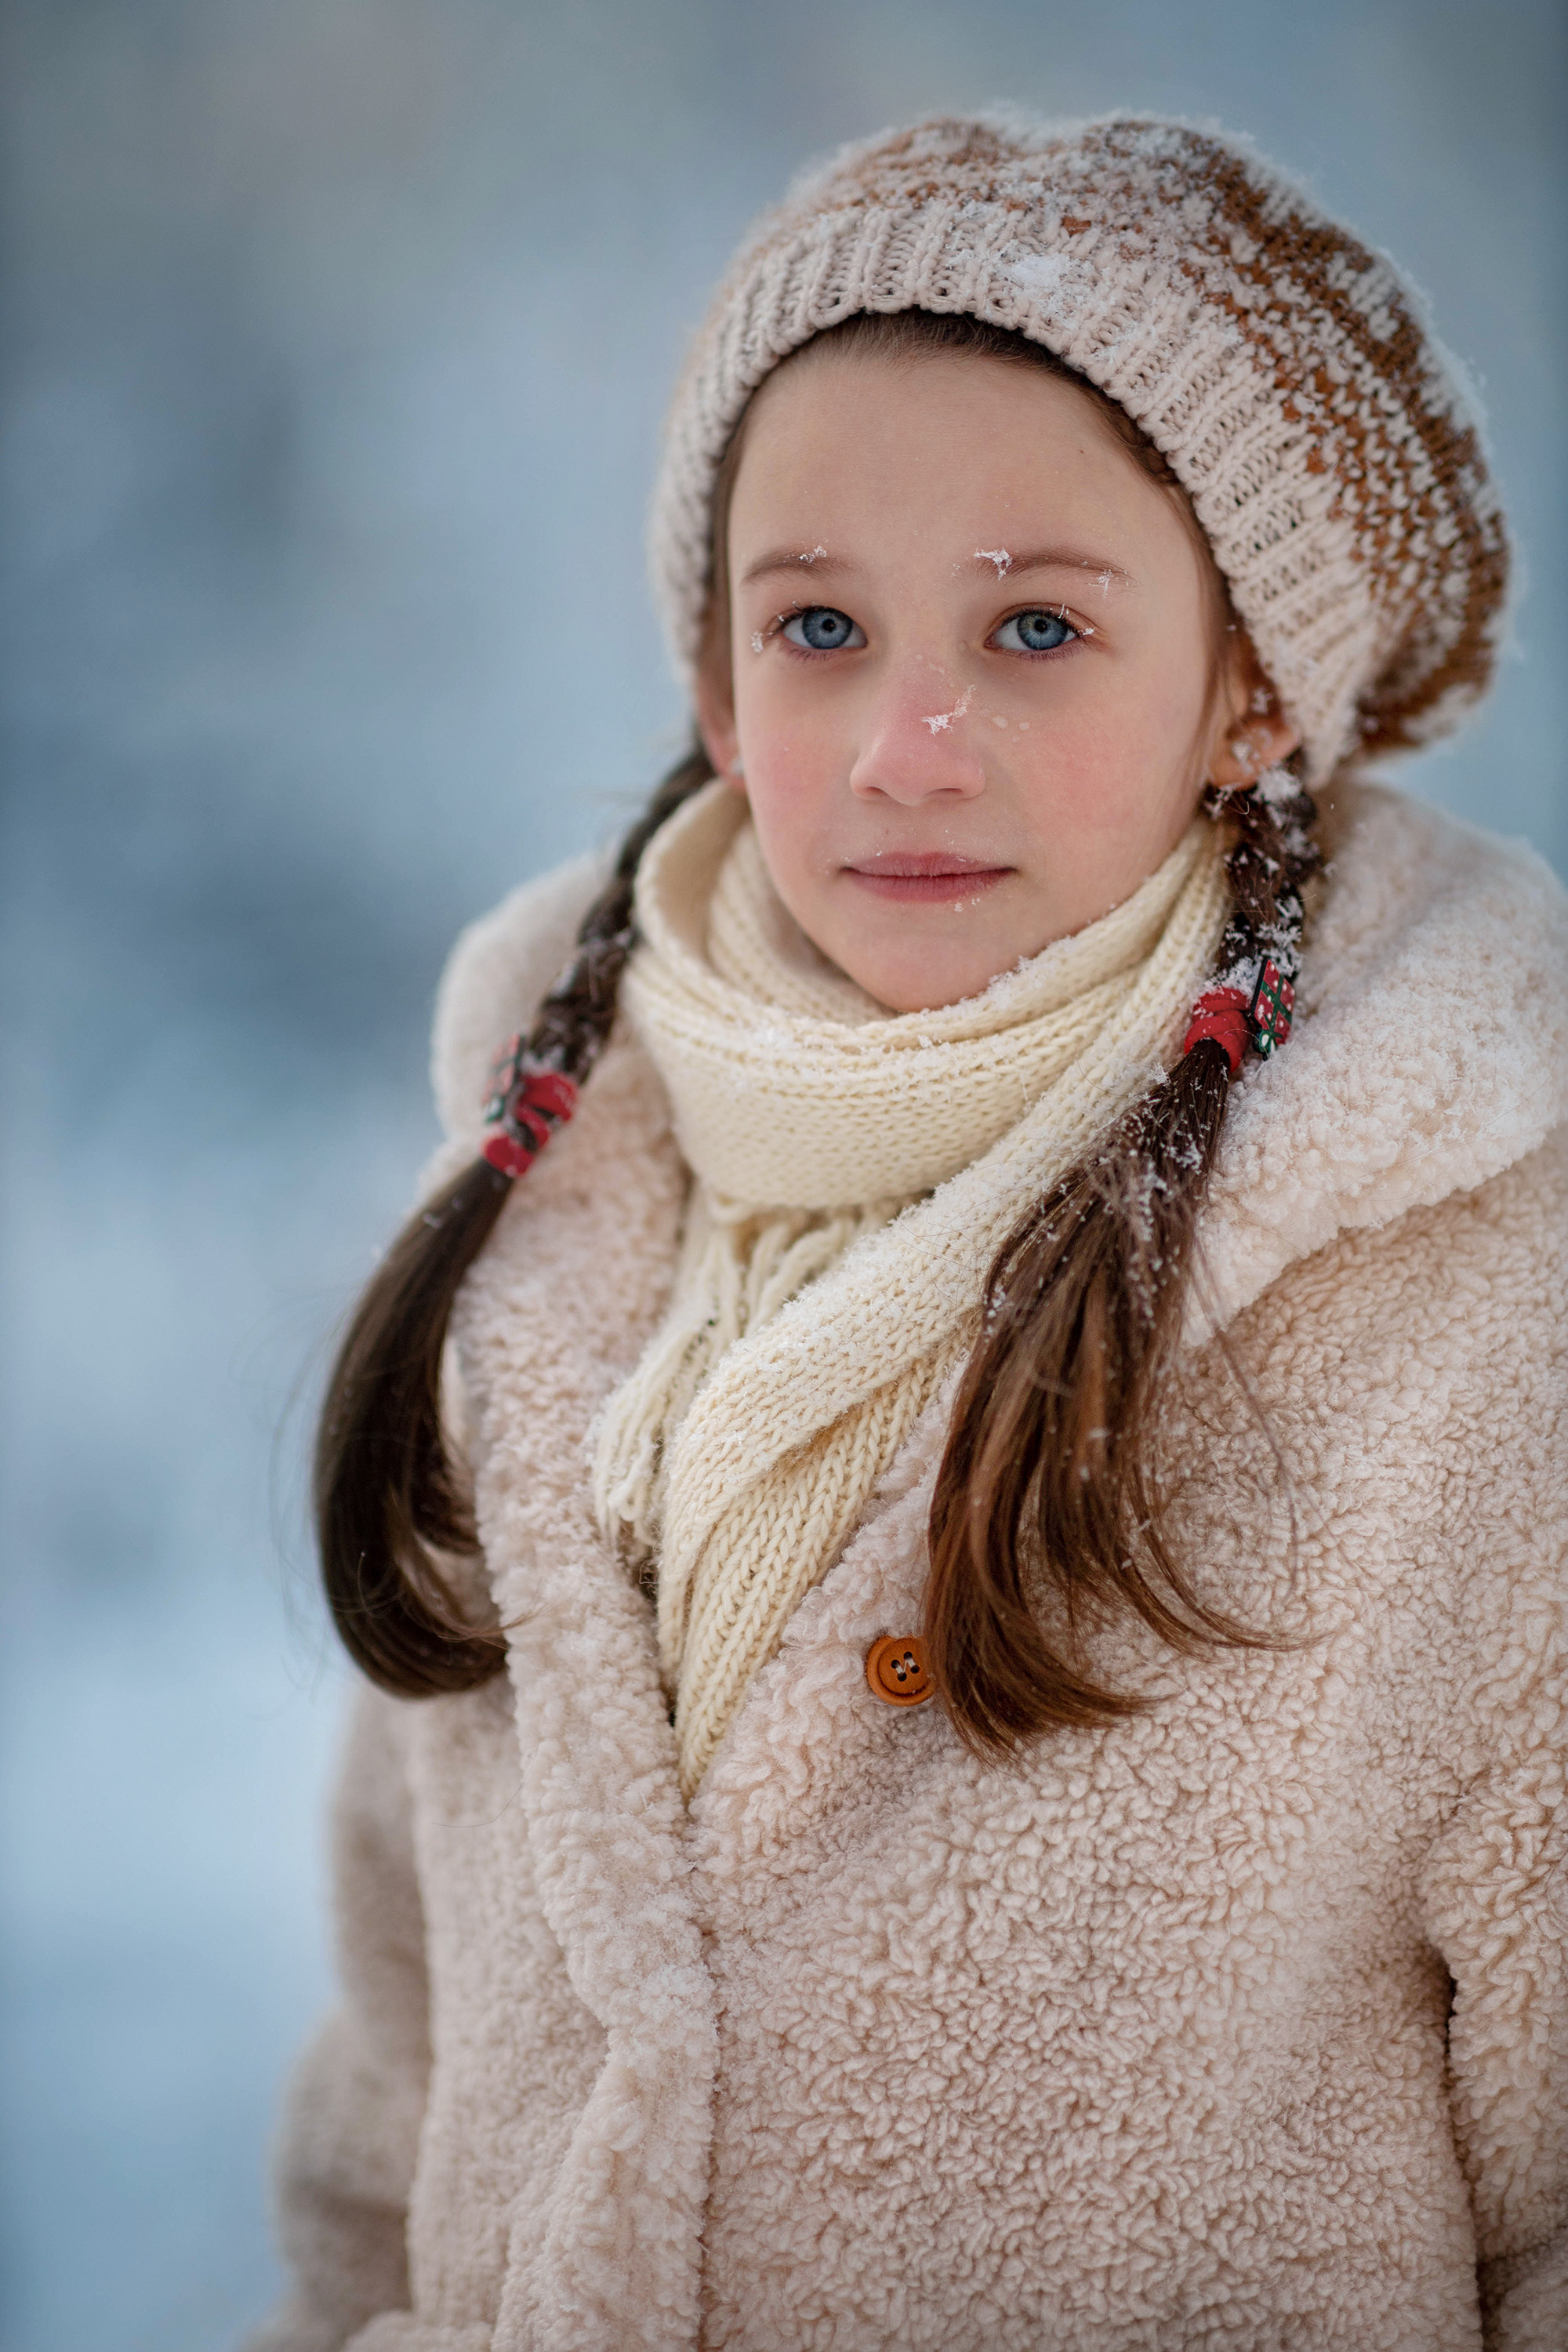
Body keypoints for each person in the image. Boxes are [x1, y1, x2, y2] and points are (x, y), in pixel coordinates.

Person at [246, 117, 1566, 2352]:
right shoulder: (549, 1212)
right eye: (820, 628)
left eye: (1037, 626)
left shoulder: (1475, 1310)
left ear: (1253, 692)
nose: (906, 743)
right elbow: (393, 2104)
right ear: (710, 683)